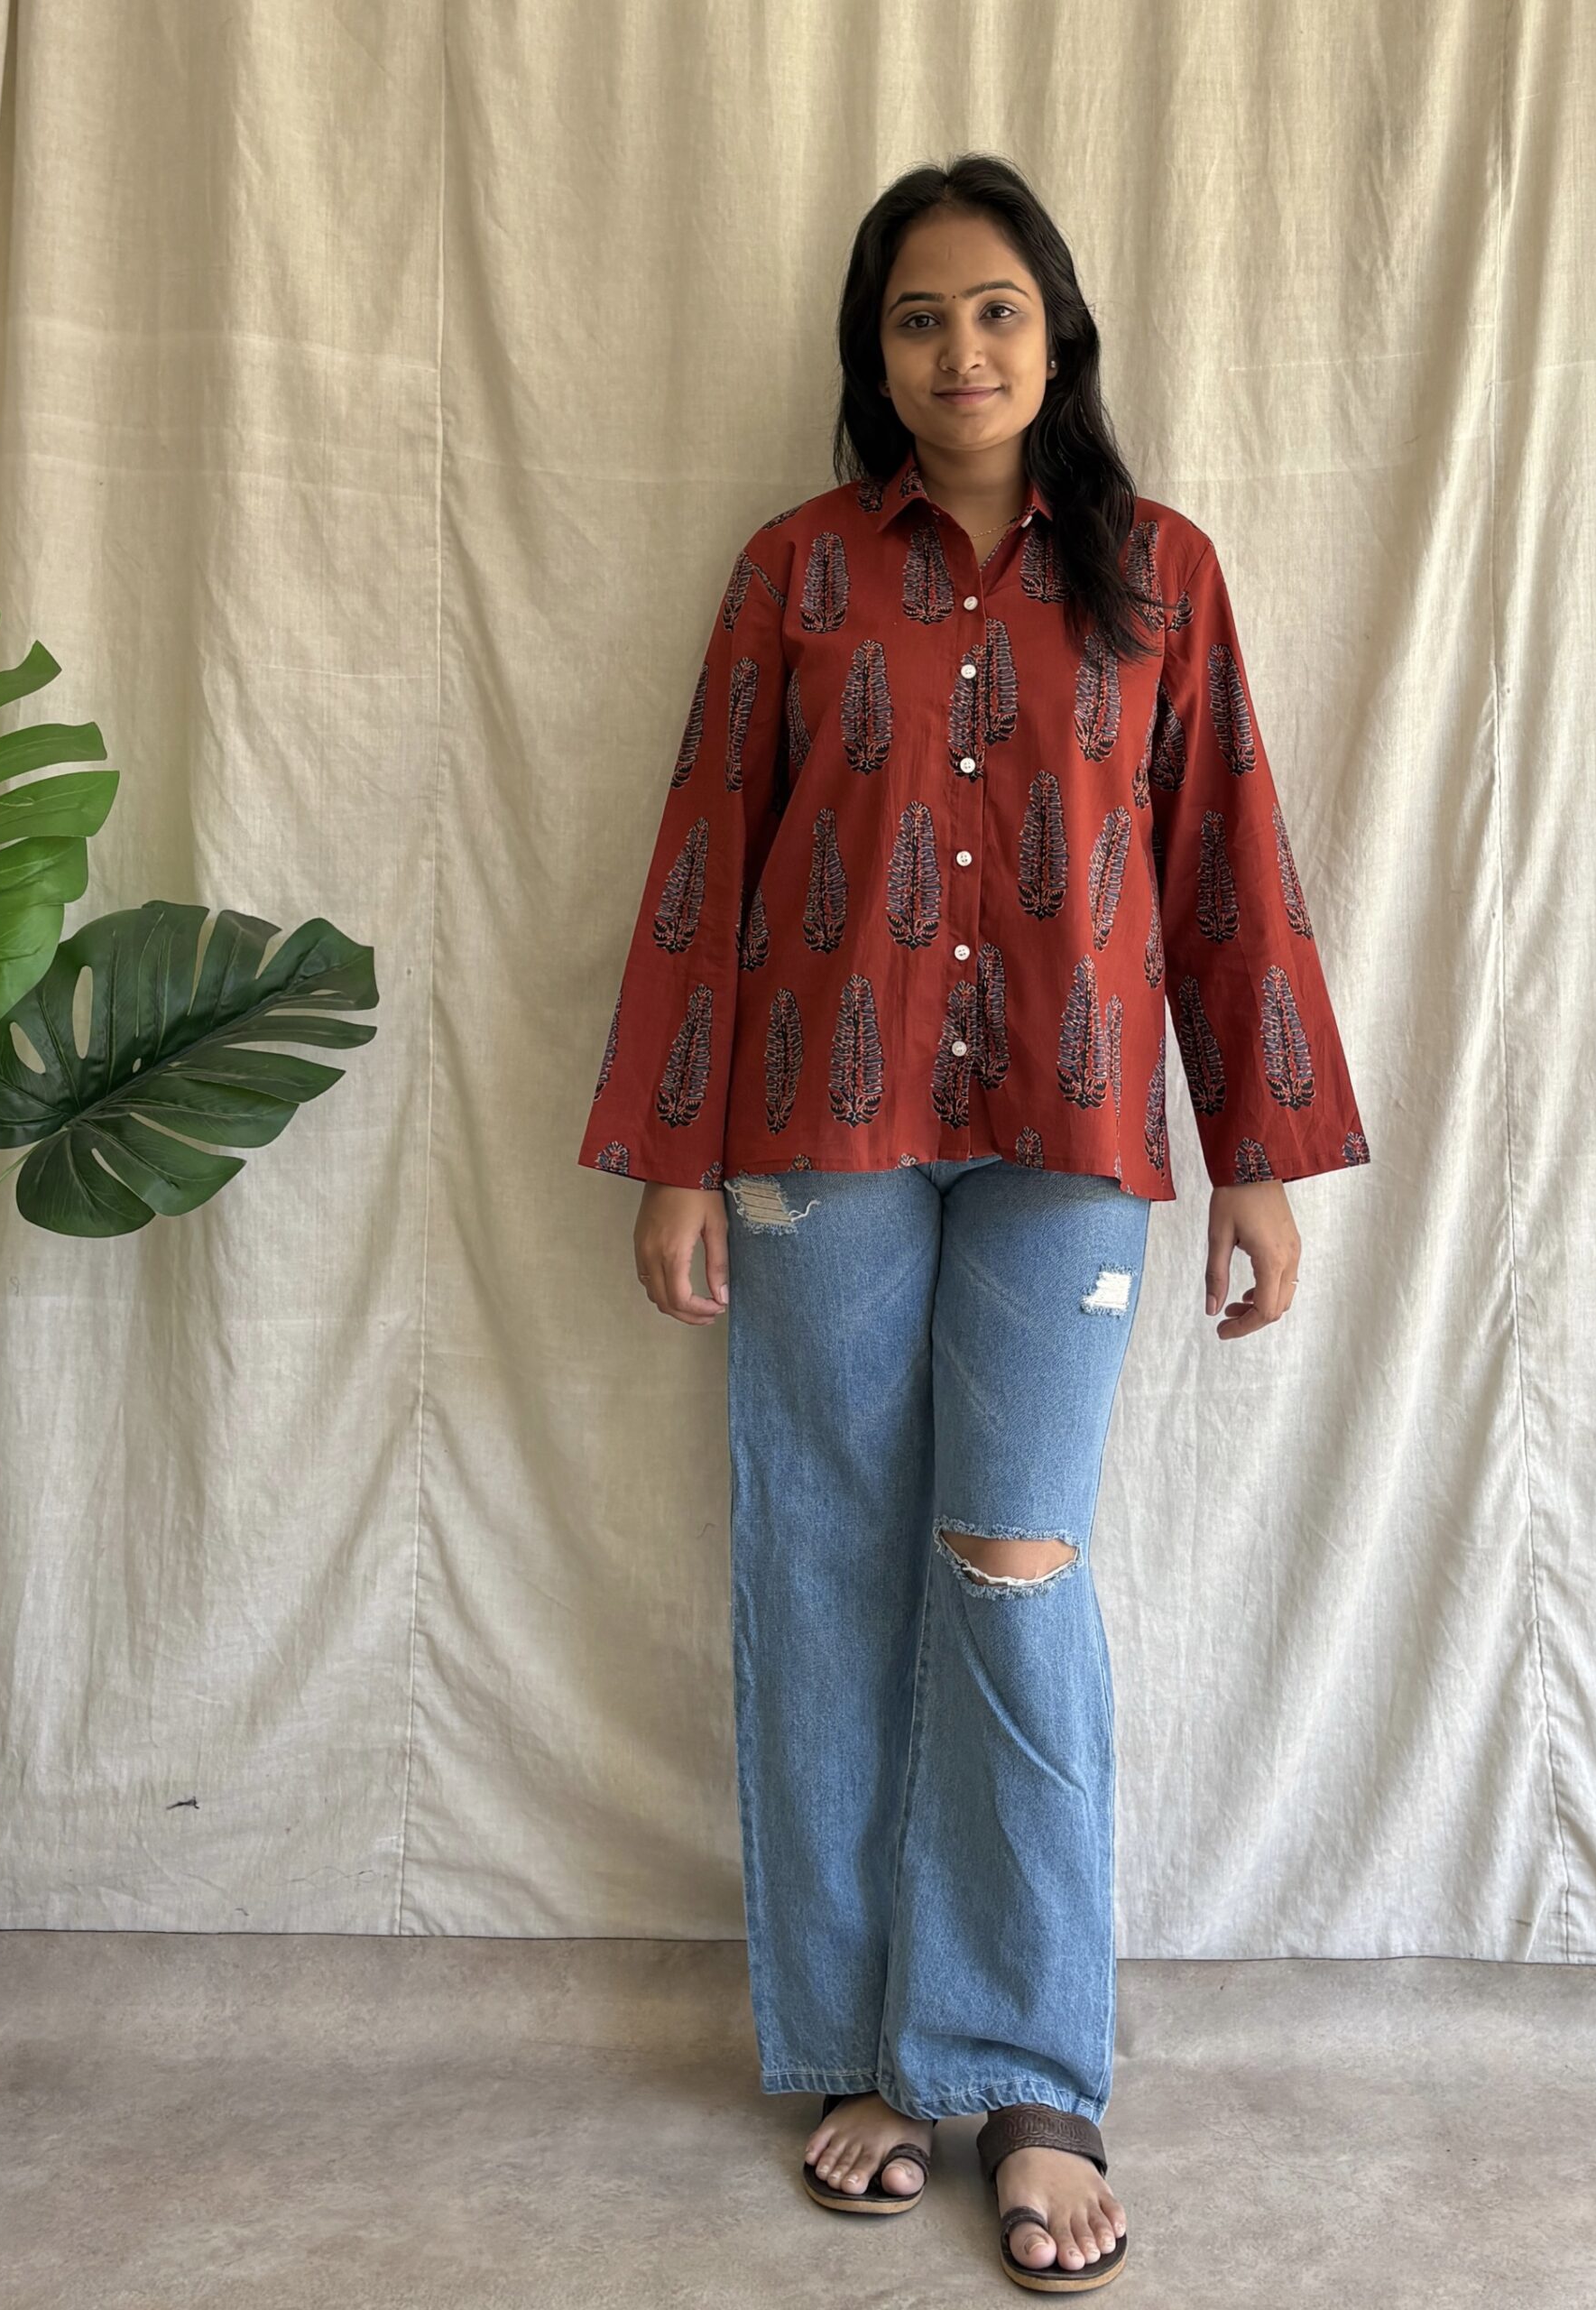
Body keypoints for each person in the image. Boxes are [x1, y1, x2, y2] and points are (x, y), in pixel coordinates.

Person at [577, 152, 1370, 2293]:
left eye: (996, 309)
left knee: (1008, 1575)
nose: (961, 350)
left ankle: (1029, 2068)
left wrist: (1263, 1161)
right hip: (811, 1142)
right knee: (829, 1568)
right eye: (920, 317)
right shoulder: (794, 577)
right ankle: (864, 2047)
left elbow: (1226, 874)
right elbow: (706, 859)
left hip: (1071, 1132)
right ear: (876, 354)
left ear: (1057, 334)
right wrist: (671, 1148)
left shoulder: (1161, 577)